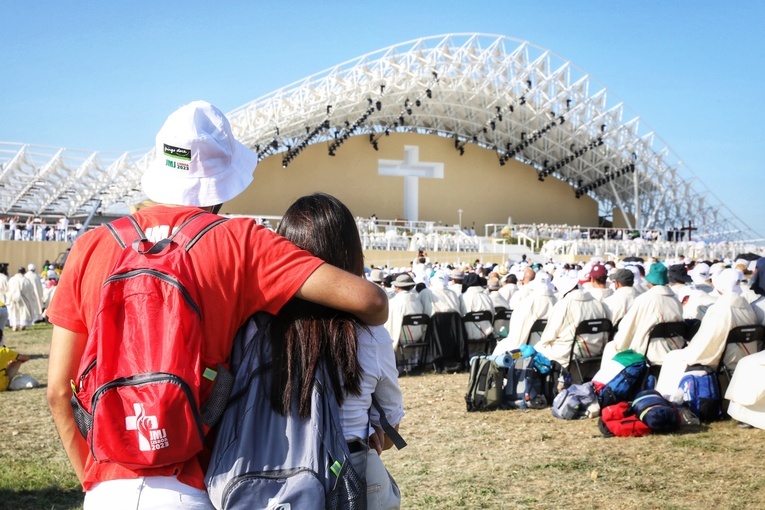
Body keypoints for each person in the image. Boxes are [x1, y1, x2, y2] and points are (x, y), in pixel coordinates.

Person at [45, 101, 389, 509]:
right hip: (194, 487)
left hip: (106, 488)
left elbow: (56, 392)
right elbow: (370, 300)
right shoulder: (240, 241)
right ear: (220, 183)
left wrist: (92, 480)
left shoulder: (90, 246)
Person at [269, 192, 403, 508]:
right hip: (349, 480)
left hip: (271, 482)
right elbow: (391, 421)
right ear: (351, 253)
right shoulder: (370, 334)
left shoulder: (255, 329)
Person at [656, 268, 757, 396]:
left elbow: (709, 341)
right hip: (741, 356)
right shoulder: (747, 308)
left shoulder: (721, 309)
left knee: (674, 357)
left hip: (725, 357)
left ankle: (668, 397)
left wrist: (691, 349)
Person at [602, 263, 683, 365]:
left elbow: (628, 326)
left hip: (651, 350)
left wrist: (620, 343)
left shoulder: (646, 299)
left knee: (611, 347)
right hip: (674, 348)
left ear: (650, 281)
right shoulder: (675, 300)